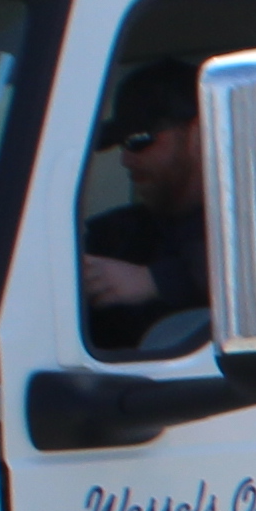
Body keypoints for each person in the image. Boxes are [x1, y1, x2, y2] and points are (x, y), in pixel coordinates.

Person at [78, 68, 208, 348]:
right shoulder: (116, 233)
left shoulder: (249, 226)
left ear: (197, 133)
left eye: (139, 139)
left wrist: (153, 282)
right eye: (120, 143)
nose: (125, 158)